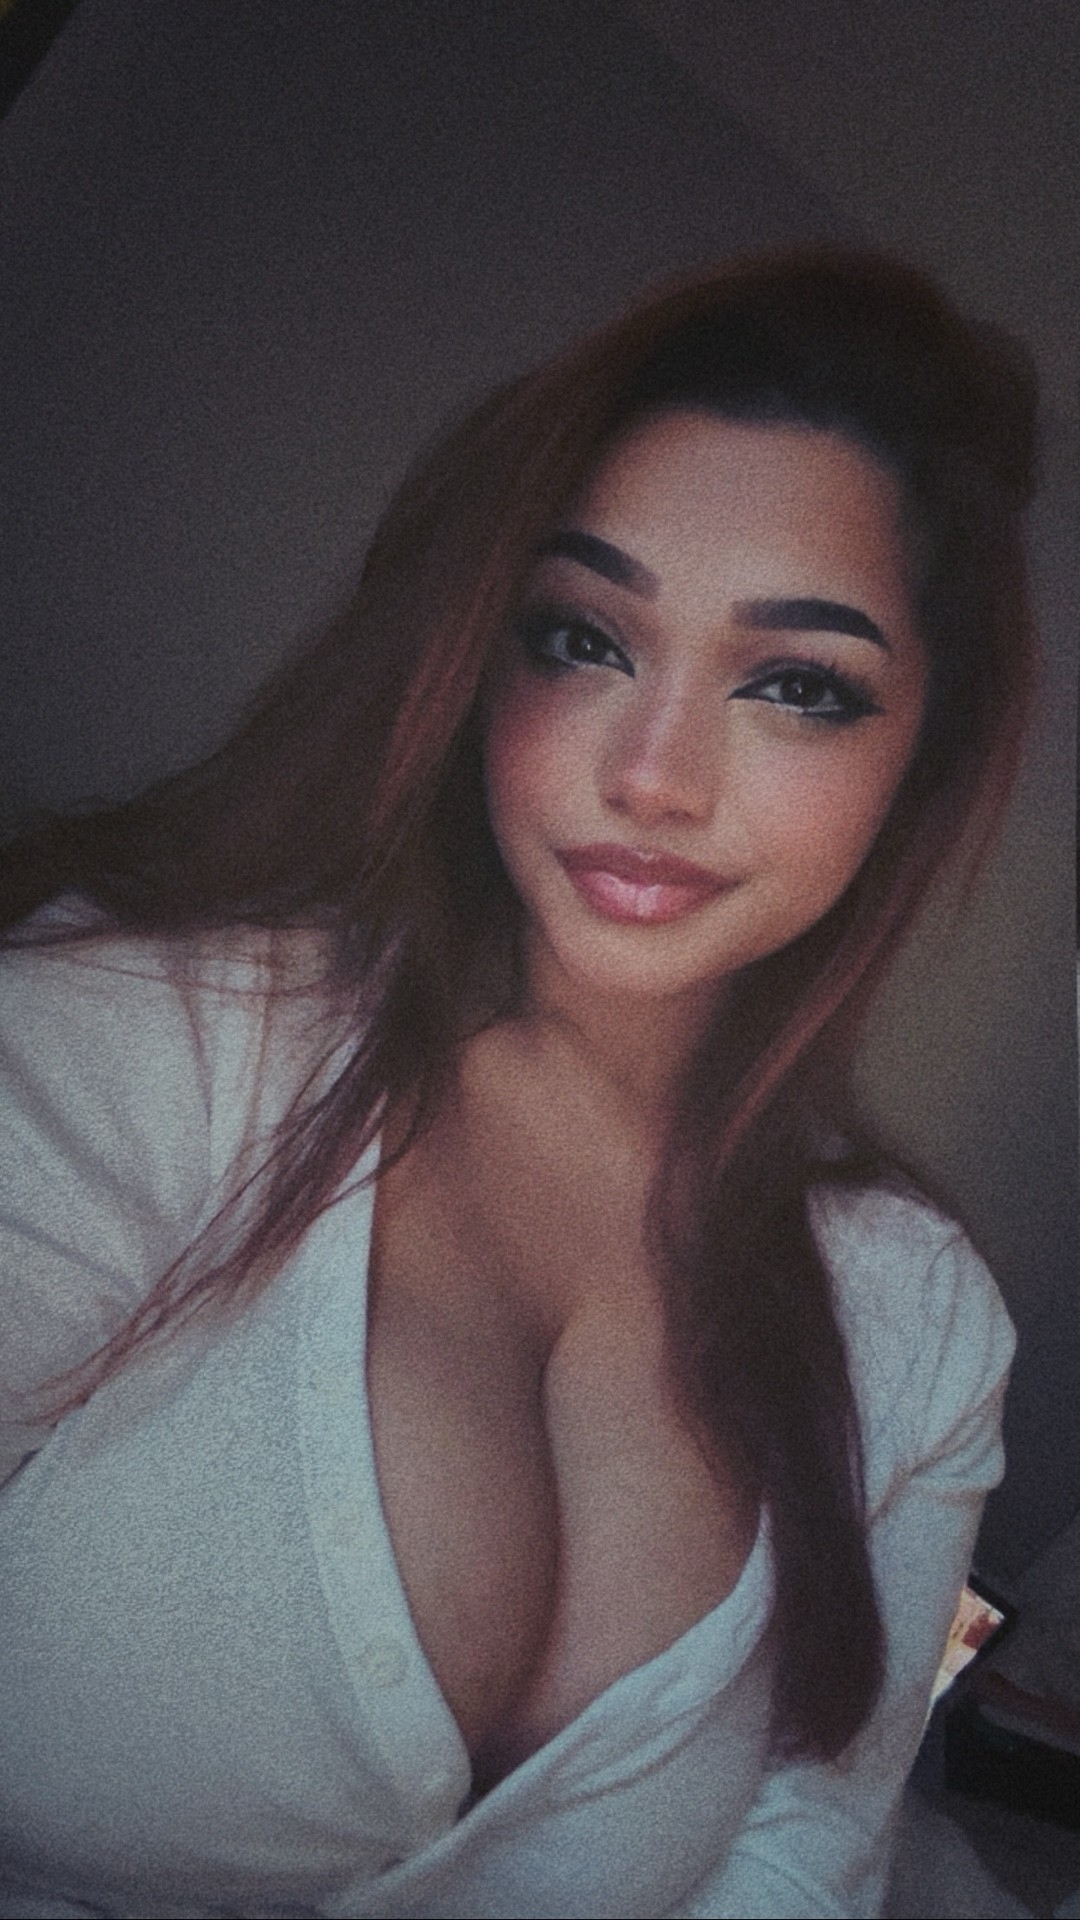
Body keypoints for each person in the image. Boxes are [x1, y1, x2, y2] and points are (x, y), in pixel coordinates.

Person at [0, 248, 1037, 1919]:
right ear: (480, 651)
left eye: (796, 685)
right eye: (583, 639)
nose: (654, 776)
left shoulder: (917, 1325)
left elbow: (802, 1867)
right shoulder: (148, 1042)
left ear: (918, 756)